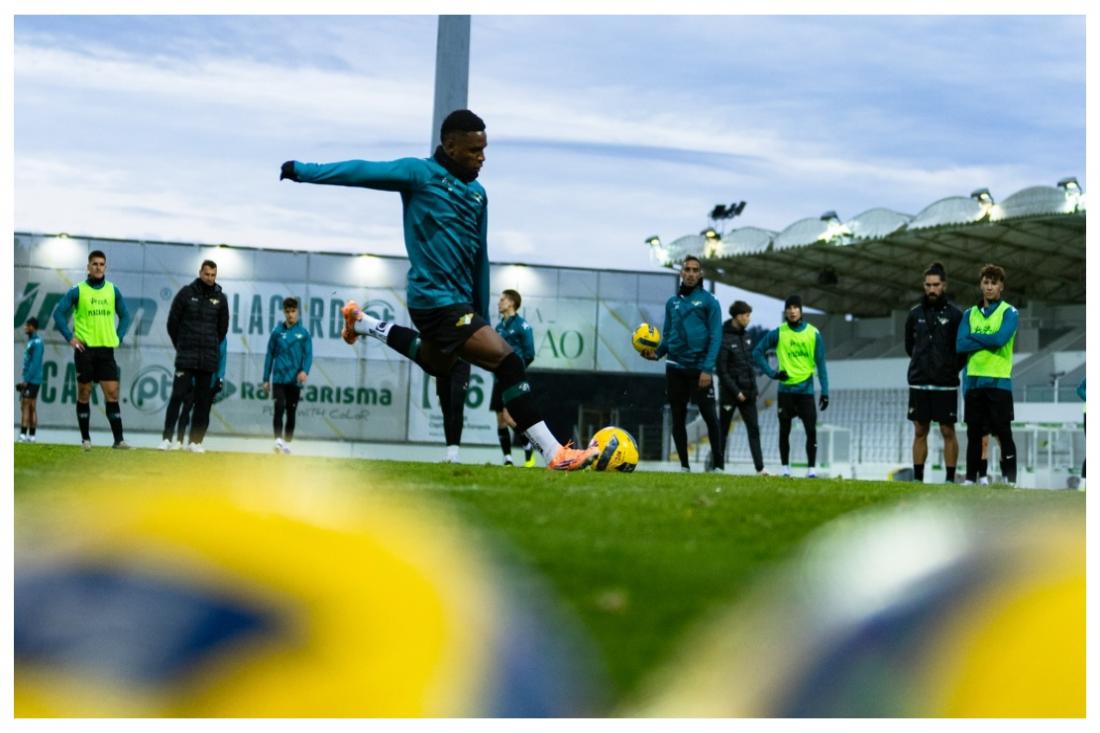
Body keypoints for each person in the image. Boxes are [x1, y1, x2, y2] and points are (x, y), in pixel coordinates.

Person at [280, 109, 598, 470]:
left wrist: (480, 313)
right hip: (433, 300)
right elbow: (363, 170)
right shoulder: (419, 174)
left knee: (437, 363)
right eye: (474, 150)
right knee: (508, 361)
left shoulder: (479, 194)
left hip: (460, 304)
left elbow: (481, 254)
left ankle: (363, 322)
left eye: (485, 149)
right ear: (450, 145)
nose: (482, 157)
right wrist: (304, 171)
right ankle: (554, 453)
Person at [640, 255, 724, 473]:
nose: (690, 273)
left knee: (710, 418)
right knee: (677, 418)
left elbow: (716, 337)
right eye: (687, 269)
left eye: (695, 270)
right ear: (681, 273)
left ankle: (719, 466)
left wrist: (707, 369)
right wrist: (656, 354)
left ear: (700, 274)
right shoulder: (672, 303)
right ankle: (684, 466)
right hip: (675, 367)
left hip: (699, 370)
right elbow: (668, 336)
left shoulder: (709, 301)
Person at [52, 249, 133, 450]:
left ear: (105, 267)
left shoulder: (113, 290)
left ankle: (119, 440)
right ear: (88, 267)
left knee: (112, 394)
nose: (98, 267)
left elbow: (125, 316)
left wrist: (119, 336)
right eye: (94, 264)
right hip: (85, 350)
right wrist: (70, 337)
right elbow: (58, 314)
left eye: (101, 264)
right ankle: (86, 440)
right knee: (84, 393)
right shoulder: (78, 290)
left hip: (106, 350)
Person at [752, 294, 829, 478]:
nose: (792, 311)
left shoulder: (813, 333)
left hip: (806, 391)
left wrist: (825, 391)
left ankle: (811, 470)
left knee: (811, 431)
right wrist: (773, 373)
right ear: (785, 311)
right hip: (785, 391)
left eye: (796, 307)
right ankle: (785, 468)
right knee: (784, 431)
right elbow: (757, 352)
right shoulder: (779, 332)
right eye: (789, 308)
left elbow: (821, 364)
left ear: (801, 310)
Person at [956, 264, 1018, 486]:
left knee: (1003, 432)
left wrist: (975, 336)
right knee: (974, 433)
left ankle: (1009, 479)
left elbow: (999, 340)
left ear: (1001, 286)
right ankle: (970, 479)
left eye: (994, 283)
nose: (989, 287)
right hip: (973, 381)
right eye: (986, 282)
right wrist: (984, 339)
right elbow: (960, 344)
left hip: (999, 381)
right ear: (980, 284)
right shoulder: (968, 314)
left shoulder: (1009, 312)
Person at [904, 262, 964, 483]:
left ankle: (949, 479)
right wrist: (921, 364)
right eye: (928, 285)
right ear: (923, 285)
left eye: (936, 285)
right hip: (919, 382)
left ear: (944, 286)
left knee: (948, 431)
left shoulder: (957, 316)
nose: (932, 289)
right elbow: (909, 346)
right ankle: (918, 479)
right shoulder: (914, 314)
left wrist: (948, 368)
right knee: (920, 431)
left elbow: (962, 350)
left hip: (946, 383)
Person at [166, 260, 229, 453]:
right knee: (179, 399)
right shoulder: (186, 293)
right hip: (187, 358)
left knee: (203, 404)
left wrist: (219, 376)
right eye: (207, 274)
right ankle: (172, 440)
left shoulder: (221, 299)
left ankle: (195, 442)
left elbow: (222, 334)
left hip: (207, 362)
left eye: (213, 275)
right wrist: (182, 347)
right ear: (200, 272)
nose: (210, 278)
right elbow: (172, 323)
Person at [716, 301, 766, 474]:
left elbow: (749, 366)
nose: (748, 319)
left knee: (754, 430)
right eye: (746, 315)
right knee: (722, 431)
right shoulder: (722, 338)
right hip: (730, 394)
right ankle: (718, 467)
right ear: (737, 316)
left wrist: (755, 390)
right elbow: (722, 371)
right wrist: (736, 392)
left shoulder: (747, 337)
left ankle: (760, 468)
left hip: (748, 394)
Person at [491, 289, 537, 467]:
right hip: (498, 379)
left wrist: (517, 370)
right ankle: (507, 459)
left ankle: (527, 442)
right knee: (500, 419)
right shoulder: (498, 327)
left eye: (502, 300)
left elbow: (529, 353)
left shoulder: (522, 325)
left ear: (511, 302)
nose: (499, 302)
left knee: (509, 418)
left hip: (513, 378)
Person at [262, 298, 313, 455]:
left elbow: (309, 354)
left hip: (294, 380)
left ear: (297, 312)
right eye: (288, 312)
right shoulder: (277, 332)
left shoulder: (303, 334)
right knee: (279, 407)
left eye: (293, 311)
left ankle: (287, 443)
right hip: (279, 379)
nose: (290, 314)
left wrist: (305, 370)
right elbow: (269, 355)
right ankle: (278, 440)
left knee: (291, 411)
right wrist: (265, 379)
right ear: (284, 312)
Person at [160, 338, 227, 450]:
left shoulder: (221, 337)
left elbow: (222, 357)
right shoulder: (198, 332)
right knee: (185, 410)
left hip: (210, 380)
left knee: (204, 412)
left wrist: (220, 378)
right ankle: (179, 441)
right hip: (193, 379)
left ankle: (196, 441)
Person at [436, 361, 471, 464]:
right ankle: (450, 453)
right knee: (446, 409)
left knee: (457, 405)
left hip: (461, 362)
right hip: (441, 365)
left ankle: (455, 453)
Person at [17, 317, 44, 443]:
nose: (25, 328)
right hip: (32, 379)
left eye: (27, 326)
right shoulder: (32, 341)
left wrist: (26, 380)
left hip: (32, 380)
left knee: (26, 405)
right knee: (31, 406)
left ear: (32, 327)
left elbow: (35, 363)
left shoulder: (37, 342)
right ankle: (31, 436)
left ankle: (23, 435)